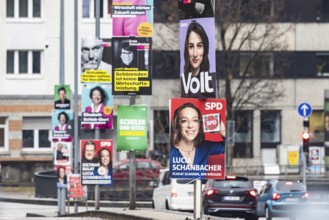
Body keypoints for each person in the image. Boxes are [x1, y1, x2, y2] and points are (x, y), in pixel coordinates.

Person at [170, 103, 225, 177]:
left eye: (195, 120)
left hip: (200, 188)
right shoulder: (171, 152)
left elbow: (229, 147)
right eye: (184, 121)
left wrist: (223, 131)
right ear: (177, 124)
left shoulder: (204, 147)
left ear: (199, 124)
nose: (190, 125)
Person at [181, 21, 215, 98]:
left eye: (199, 46)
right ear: (186, 50)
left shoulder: (212, 81)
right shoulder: (182, 81)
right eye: (191, 46)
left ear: (205, 49)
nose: (195, 54)